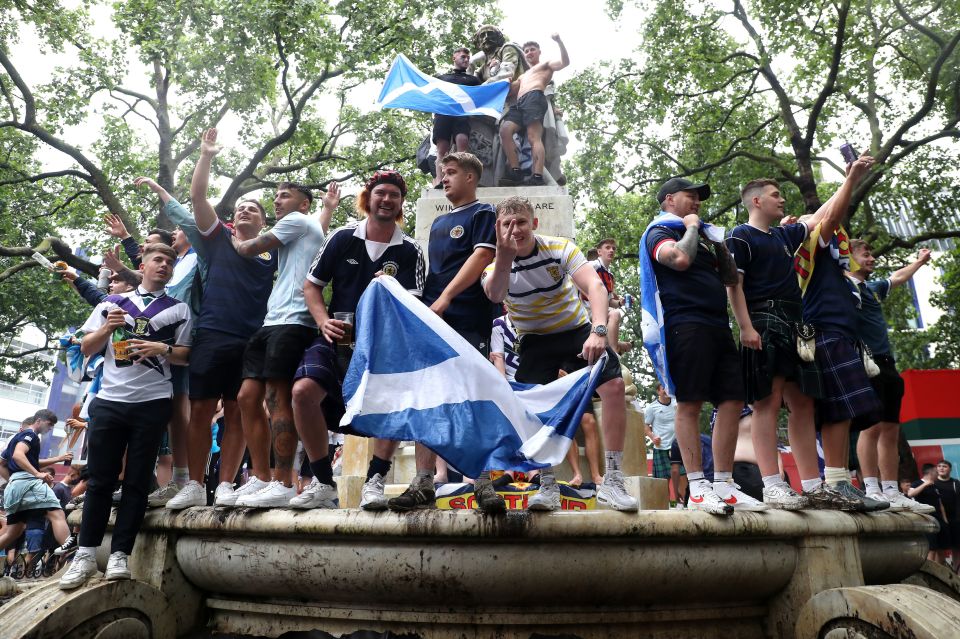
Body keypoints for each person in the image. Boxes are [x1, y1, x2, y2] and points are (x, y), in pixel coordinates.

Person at [482, 195, 638, 512]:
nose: (515, 229)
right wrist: (504, 257)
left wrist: (598, 330)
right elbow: (495, 294)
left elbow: (595, 286)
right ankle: (548, 485)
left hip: (576, 330)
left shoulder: (559, 248)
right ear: (499, 229)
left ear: (534, 223)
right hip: (535, 340)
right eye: (507, 224)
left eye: (521, 222)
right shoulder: (494, 265)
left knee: (615, 386)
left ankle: (613, 480)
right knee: (532, 407)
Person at [725, 175, 871, 510]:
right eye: (776, 195)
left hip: (796, 324)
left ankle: (811, 485)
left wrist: (850, 177)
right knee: (768, 402)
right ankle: (773, 483)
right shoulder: (741, 236)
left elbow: (822, 216)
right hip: (763, 320)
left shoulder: (784, 235)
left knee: (803, 402)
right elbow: (734, 286)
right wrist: (746, 327)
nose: (782, 200)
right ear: (756, 201)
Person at [162, 129, 289, 509]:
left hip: (252, 340)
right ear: (231, 219)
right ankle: (196, 484)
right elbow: (198, 197)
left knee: (239, 410)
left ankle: (227, 484)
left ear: (265, 222)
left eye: (254, 208)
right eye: (240, 208)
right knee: (200, 409)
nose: (245, 210)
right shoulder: (219, 239)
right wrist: (206, 154)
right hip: (212, 334)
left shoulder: (274, 253)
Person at [59, 242, 193, 590]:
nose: (163, 265)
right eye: (157, 260)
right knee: (101, 480)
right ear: (143, 265)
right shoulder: (111, 302)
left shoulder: (179, 309)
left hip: (153, 402)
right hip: (109, 401)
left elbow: (184, 355)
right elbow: (85, 347)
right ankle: (86, 555)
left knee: (137, 481)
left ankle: (120, 554)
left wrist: (161, 348)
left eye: (169, 261)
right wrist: (107, 328)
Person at [290, 169, 425, 510]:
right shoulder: (341, 237)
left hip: (385, 343)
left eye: (394, 195)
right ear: (369, 198)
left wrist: (391, 289)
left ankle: (376, 480)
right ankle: (322, 482)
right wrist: (323, 322)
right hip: (339, 336)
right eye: (381, 193)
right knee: (302, 392)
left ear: (400, 203)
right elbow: (312, 285)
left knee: (392, 404)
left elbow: (416, 306)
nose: (387, 199)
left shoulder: (411, 250)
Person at [639, 178, 757, 515]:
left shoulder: (703, 238)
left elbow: (732, 279)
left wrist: (717, 243)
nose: (697, 204)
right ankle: (698, 487)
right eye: (691, 197)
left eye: (699, 200)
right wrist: (691, 228)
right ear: (670, 199)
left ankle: (723, 482)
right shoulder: (659, 231)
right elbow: (677, 260)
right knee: (689, 403)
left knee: (733, 400)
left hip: (717, 324)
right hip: (684, 326)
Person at [388, 152, 498, 512]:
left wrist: (447, 298)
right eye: (442, 173)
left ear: (471, 177)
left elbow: (482, 256)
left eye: (451, 172)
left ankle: (481, 482)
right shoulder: (437, 224)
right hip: (434, 320)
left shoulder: (483, 214)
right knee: (428, 396)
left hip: (468, 319)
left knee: (470, 398)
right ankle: (423, 482)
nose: (444, 178)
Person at [232, 178, 335, 508]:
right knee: (248, 396)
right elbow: (317, 229)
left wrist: (230, 235)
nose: (276, 201)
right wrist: (329, 208)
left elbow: (249, 249)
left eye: (284, 196)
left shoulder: (296, 221)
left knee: (277, 400)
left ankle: (283, 482)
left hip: (293, 321)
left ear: (303, 204)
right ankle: (261, 477)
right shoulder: (306, 227)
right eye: (275, 196)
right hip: (271, 321)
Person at [794, 156, 886, 511]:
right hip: (826, 333)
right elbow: (830, 217)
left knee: (846, 411)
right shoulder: (808, 246)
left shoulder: (834, 261)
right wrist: (851, 177)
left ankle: (840, 481)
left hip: (841, 334)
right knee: (837, 410)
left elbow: (831, 215)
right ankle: (835, 483)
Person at [848, 241, 934, 513]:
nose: (871, 258)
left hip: (888, 364)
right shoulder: (842, 287)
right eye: (866, 254)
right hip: (865, 363)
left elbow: (897, 277)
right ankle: (871, 488)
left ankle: (891, 490)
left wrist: (919, 262)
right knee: (870, 427)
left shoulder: (872, 289)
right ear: (847, 258)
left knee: (890, 430)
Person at [498, 34, 568, 186]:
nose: (529, 53)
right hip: (519, 103)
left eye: (532, 50)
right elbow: (509, 92)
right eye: (527, 51)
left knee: (533, 137)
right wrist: (496, 70)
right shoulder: (523, 75)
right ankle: (516, 170)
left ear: (539, 52)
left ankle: (537, 175)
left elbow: (565, 62)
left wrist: (559, 42)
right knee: (505, 131)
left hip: (535, 97)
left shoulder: (546, 65)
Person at [0, 411, 71, 555]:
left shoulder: (15, 440)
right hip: (29, 483)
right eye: (49, 424)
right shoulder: (31, 435)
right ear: (39, 420)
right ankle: (72, 557)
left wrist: (13, 480)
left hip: (14, 487)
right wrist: (37, 474)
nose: (50, 429)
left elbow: (3, 462)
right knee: (57, 514)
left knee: (13, 531)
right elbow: (18, 455)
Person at [432, 47, 482, 186]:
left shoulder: (473, 80)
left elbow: (483, 96)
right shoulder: (442, 78)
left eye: (468, 57)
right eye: (463, 57)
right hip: (443, 114)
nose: (466, 59)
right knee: (442, 150)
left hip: (462, 115)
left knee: (462, 144)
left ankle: (460, 179)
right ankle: (441, 180)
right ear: (454, 58)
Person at [909, 464, 951, 564]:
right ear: (931, 472)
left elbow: (940, 504)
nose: (938, 474)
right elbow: (911, 494)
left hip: (939, 519)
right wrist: (925, 485)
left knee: (941, 548)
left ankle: (940, 570)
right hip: (927, 519)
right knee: (931, 548)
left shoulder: (936, 486)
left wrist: (945, 520)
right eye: (936, 472)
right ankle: (930, 573)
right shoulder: (917, 483)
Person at [644, 384, 680, 499]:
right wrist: (652, 437)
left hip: (677, 446)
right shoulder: (652, 407)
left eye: (667, 387)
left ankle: (682, 503)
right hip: (661, 448)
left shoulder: (677, 403)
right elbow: (645, 426)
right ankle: (667, 507)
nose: (666, 390)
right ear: (658, 391)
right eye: (663, 387)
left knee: (682, 476)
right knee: (663, 482)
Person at [935, 460, 960, 570]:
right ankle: (939, 572)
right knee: (939, 549)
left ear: (950, 469)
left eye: (944, 466)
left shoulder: (956, 483)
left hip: (955, 520)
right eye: (939, 466)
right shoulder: (933, 483)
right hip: (940, 520)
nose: (941, 468)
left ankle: (957, 572)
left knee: (956, 548)